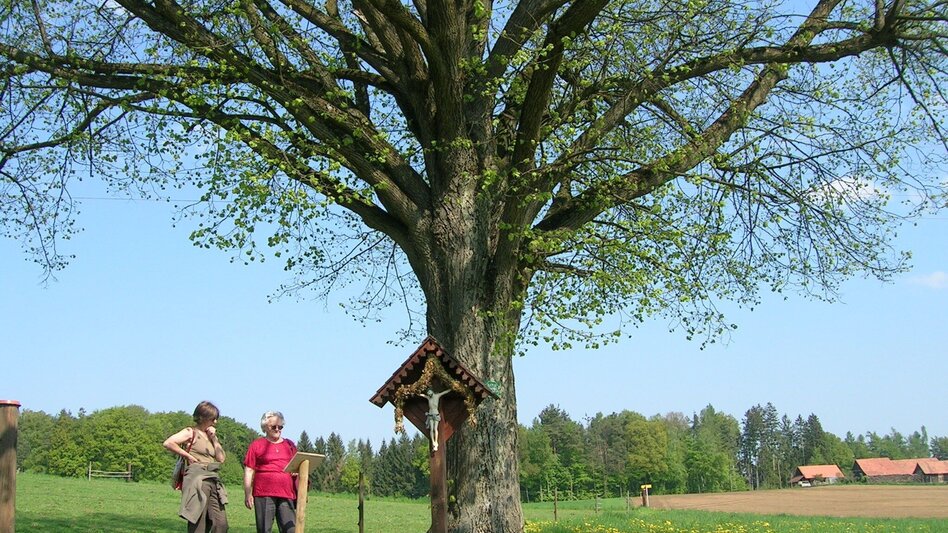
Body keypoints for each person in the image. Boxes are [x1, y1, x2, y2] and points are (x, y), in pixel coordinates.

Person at [163, 401, 229, 533]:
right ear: (203, 417)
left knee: (221, 524)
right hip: (197, 478)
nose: (215, 422)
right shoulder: (190, 432)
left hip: (213, 479)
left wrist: (214, 439)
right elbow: (168, 443)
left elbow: (221, 458)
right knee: (198, 520)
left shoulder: (211, 437)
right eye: (213, 418)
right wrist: (187, 455)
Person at [243, 411, 298, 533]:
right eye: (274, 427)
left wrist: (296, 472)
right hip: (264, 492)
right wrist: (247, 493)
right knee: (264, 529)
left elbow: (297, 466)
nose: (277, 429)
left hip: (286, 492)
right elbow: (249, 469)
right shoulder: (257, 445)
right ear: (265, 427)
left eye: (280, 427)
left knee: (291, 529)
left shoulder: (290, 445)